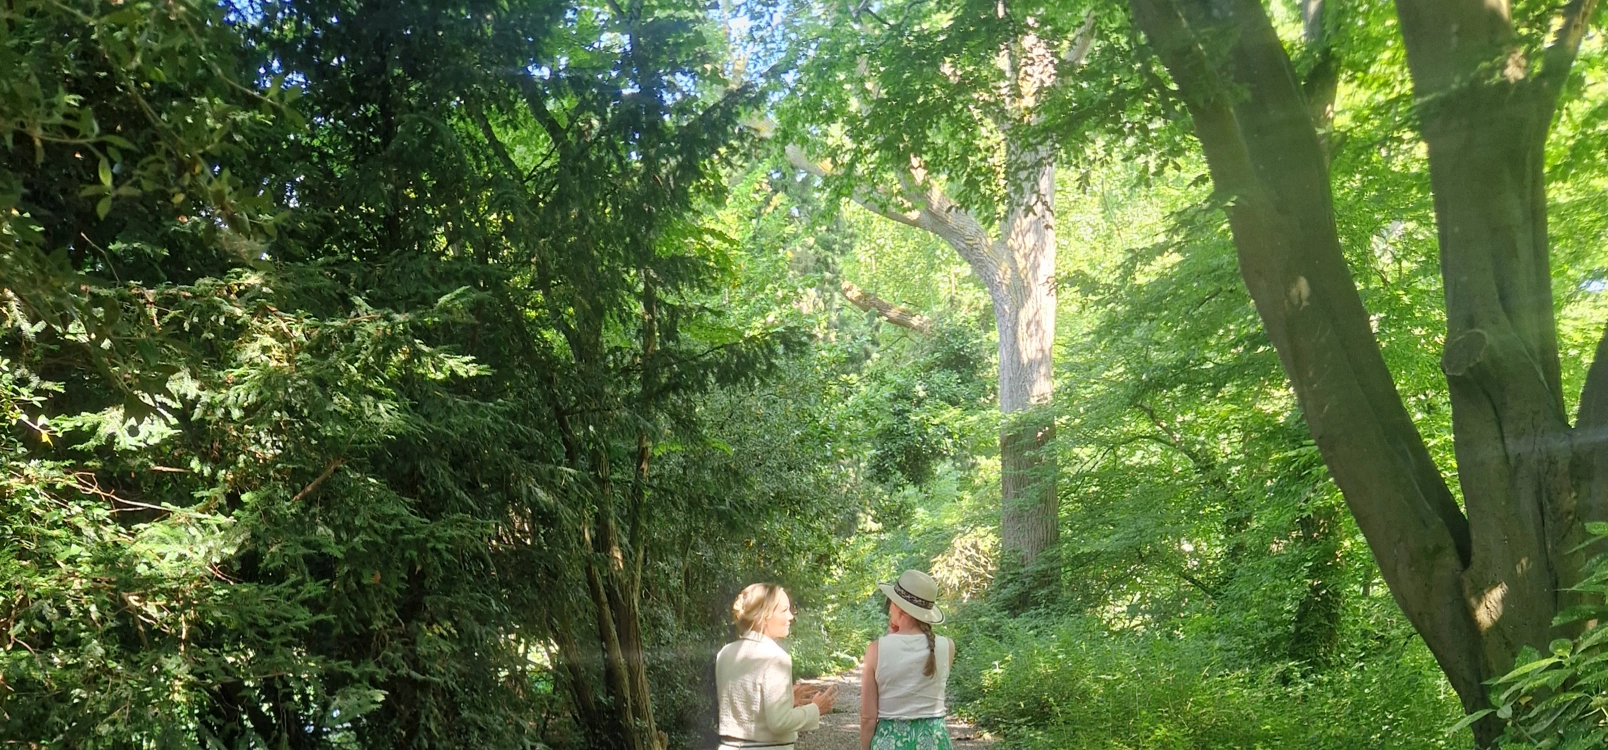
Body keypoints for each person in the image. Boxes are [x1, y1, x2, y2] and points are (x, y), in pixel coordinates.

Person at [717, 583, 837, 750]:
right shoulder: (775, 657)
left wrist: (786, 701)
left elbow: (746, 711)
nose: (790, 616)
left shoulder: (725, 653)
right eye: (784, 610)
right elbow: (779, 723)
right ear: (764, 616)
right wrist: (815, 709)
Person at [860, 570, 954, 750]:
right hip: (934, 741)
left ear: (898, 607)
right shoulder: (947, 646)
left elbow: (868, 718)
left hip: (890, 742)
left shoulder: (875, 650)